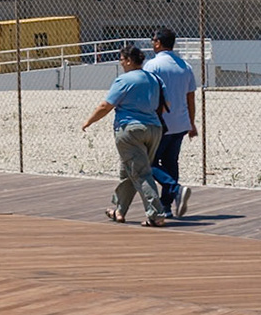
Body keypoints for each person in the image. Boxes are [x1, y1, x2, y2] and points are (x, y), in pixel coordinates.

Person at [81, 44, 173, 226]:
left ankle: (156, 214)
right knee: (128, 171)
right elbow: (166, 102)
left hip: (129, 129)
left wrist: (88, 121)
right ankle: (120, 211)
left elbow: (106, 106)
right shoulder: (154, 78)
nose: (120, 62)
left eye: (122, 59)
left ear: (129, 60)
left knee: (140, 172)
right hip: (154, 128)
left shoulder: (123, 80)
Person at [144, 27, 199, 219]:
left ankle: (175, 190)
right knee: (171, 162)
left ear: (158, 43)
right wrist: (192, 123)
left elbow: (148, 95)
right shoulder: (185, 66)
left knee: (148, 163)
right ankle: (166, 206)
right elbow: (190, 97)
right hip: (181, 122)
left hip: (160, 123)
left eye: (153, 40)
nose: (152, 43)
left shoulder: (152, 66)